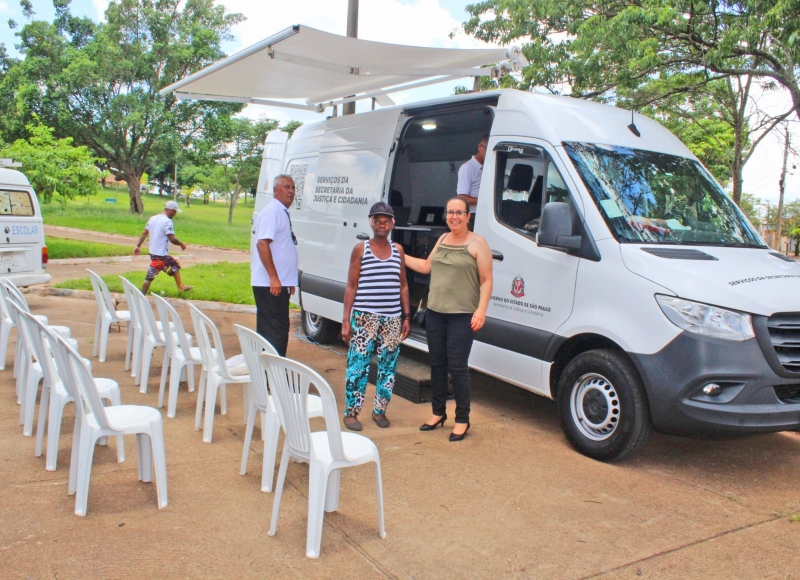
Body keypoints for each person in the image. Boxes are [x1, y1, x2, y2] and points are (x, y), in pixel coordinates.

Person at [404, 197, 493, 441]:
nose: (454, 217)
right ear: (446, 216)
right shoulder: (443, 239)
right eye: (450, 212)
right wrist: (398, 255)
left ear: (468, 216)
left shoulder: (478, 243)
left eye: (459, 213)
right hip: (435, 313)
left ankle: (462, 419)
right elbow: (425, 267)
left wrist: (481, 310)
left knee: (458, 367)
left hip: (462, 316)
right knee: (437, 365)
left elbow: (486, 280)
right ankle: (437, 413)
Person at [341, 202, 411, 431]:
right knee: (358, 366)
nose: (382, 224)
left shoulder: (398, 250)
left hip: (391, 319)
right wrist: (345, 320)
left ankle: (380, 410)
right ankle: (351, 412)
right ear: (371, 222)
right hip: (364, 318)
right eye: (377, 220)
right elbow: (351, 286)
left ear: (393, 223)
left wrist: (406, 316)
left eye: (386, 220)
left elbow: (402, 285)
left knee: (388, 367)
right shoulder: (361, 249)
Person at [251, 174, 298, 357]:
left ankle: (268, 373)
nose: (291, 192)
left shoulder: (281, 212)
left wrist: (287, 280)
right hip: (269, 284)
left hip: (279, 283)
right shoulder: (273, 211)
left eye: (293, 188)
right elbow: (262, 244)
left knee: (275, 329)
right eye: (287, 187)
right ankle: (273, 375)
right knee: (275, 331)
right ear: (276, 190)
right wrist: (274, 277)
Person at [134, 200, 193, 294]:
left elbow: (144, 233)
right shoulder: (167, 222)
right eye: (174, 212)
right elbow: (172, 238)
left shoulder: (153, 218)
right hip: (160, 255)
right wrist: (181, 244)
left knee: (175, 265)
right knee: (150, 277)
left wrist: (138, 246)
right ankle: (141, 296)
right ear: (170, 210)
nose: (175, 214)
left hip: (154, 252)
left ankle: (180, 286)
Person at [456, 134, 489, 225]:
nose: (491, 155)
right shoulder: (467, 168)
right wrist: (485, 200)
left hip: (488, 215)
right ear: (480, 147)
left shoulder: (489, 168)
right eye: (489, 151)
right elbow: (462, 198)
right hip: (473, 216)